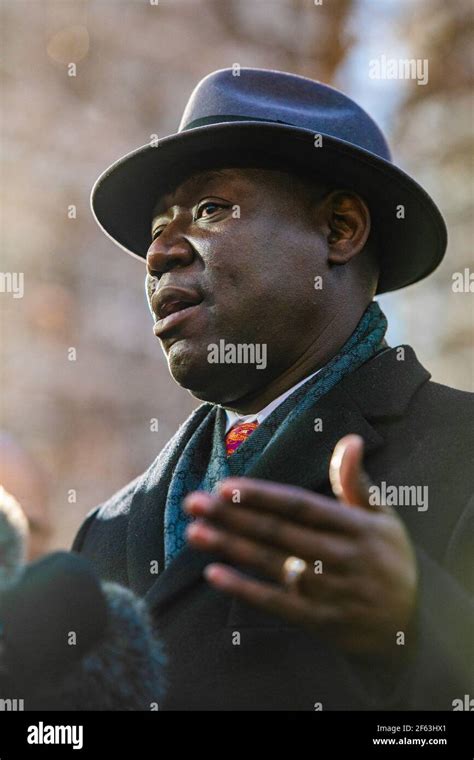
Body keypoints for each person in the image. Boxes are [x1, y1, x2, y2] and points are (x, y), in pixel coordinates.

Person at [73, 68, 473, 710]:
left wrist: (415, 625)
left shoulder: (463, 456)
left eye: (210, 209)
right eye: (156, 228)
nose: (160, 253)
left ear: (339, 230)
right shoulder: (107, 528)